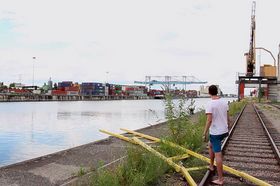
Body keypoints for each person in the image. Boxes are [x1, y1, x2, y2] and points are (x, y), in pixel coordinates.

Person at [203, 85, 230, 185]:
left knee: (218, 154)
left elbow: (209, 120)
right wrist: (228, 127)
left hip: (216, 132)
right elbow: (227, 116)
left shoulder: (210, 104)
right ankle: (211, 165)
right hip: (224, 130)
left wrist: (204, 132)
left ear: (209, 93)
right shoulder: (224, 102)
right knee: (210, 145)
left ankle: (220, 179)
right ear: (217, 91)